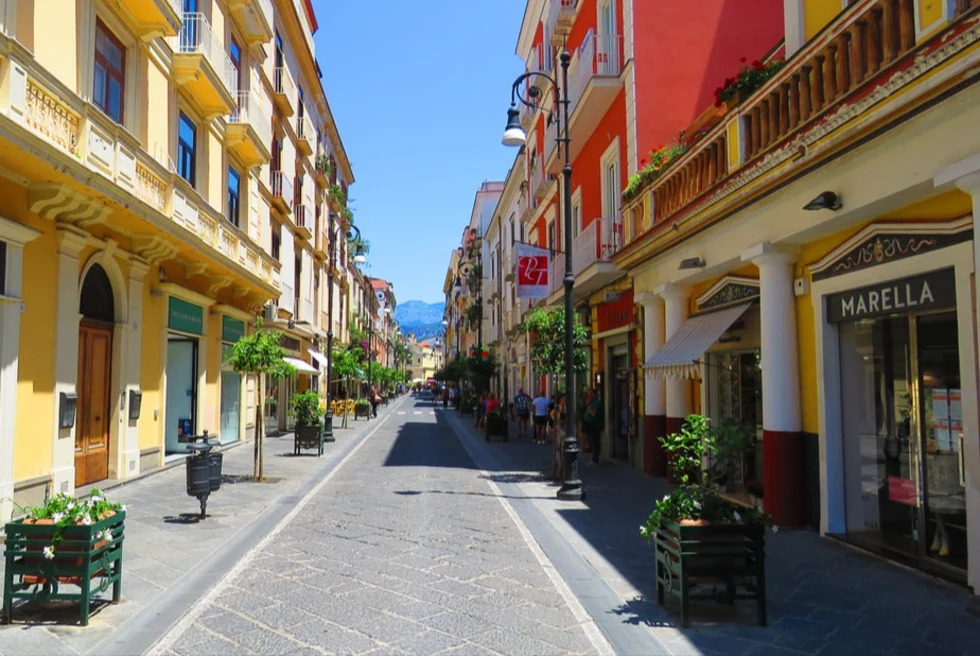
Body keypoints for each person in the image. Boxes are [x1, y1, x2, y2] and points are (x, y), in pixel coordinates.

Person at [583, 388, 603, 463]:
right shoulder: (592, 402)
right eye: (588, 394)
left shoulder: (597, 402)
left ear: (595, 394)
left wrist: (588, 406)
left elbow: (593, 413)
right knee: (591, 441)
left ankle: (595, 459)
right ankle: (594, 458)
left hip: (594, 425)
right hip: (589, 424)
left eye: (591, 394)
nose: (589, 396)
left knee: (594, 442)